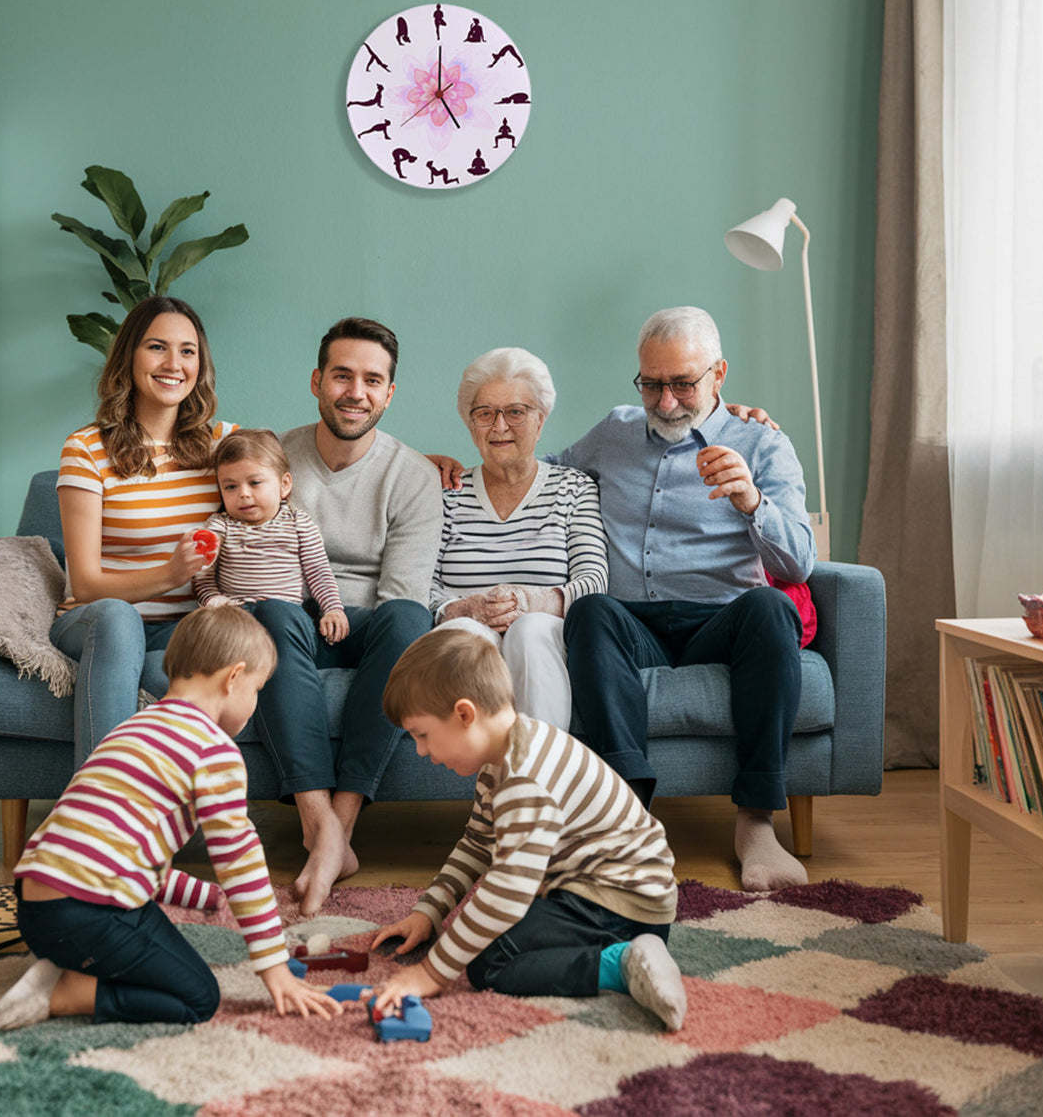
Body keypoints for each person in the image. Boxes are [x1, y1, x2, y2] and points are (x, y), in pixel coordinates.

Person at [0, 604, 340, 1034]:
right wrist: (274, 967)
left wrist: (201, 896)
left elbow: (118, 852)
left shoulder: (133, 728)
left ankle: (70, 961)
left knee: (137, 927)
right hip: (86, 915)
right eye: (257, 689)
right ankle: (66, 992)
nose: (254, 703)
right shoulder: (213, 749)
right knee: (197, 996)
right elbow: (240, 862)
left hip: (36, 912)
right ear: (234, 677)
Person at [559, 306, 815, 891]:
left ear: (719, 374)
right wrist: (448, 471)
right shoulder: (613, 431)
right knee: (590, 609)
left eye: (683, 383)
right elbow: (540, 476)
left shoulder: (763, 444)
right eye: (652, 383)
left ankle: (755, 824)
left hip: (722, 621)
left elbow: (799, 561)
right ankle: (629, 819)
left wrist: (752, 501)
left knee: (771, 608)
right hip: (633, 624)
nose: (666, 400)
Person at [370, 629, 686, 1031]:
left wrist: (431, 974)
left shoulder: (524, 778)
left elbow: (506, 894)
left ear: (464, 714)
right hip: (606, 892)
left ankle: (621, 963)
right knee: (482, 937)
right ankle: (623, 949)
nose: (421, 751)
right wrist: (429, 912)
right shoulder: (502, 758)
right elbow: (477, 844)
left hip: (621, 904)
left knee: (490, 963)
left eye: (422, 735)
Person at [252, 317, 443, 916]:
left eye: (371, 380)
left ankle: (341, 825)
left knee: (409, 620)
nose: (354, 392)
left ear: (389, 393)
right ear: (317, 381)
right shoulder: (274, 459)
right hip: (291, 618)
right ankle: (320, 830)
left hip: (366, 625)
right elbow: (251, 553)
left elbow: (402, 591)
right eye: (342, 375)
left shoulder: (413, 475)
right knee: (276, 612)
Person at [51, 295, 237, 766]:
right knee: (118, 618)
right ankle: (98, 815)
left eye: (188, 351)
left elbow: (301, 465)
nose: (174, 364)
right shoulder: (87, 449)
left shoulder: (222, 444)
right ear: (129, 357)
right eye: (157, 347)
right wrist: (171, 573)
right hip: (96, 621)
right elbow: (88, 584)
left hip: (183, 629)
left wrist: (417, 461)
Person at [430, 346, 608, 729]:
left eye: (515, 412)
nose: (499, 427)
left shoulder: (573, 488)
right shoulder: (448, 494)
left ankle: (537, 779)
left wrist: (533, 601)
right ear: (469, 423)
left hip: (545, 635)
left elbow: (594, 582)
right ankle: (494, 776)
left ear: (541, 420)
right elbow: (419, 584)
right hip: (467, 632)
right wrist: (464, 609)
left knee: (528, 630)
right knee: (466, 634)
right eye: (484, 414)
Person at [192, 429, 349, 645]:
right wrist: (214, 600)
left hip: (286, 617)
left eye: (255, 483)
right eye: (230, 487)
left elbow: (319, 572)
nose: (243, 494)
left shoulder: (299, 523)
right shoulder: (220, 527)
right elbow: (201, 577)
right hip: (236, 620)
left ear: (284, 485)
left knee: (280, 618)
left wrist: (332, 609)